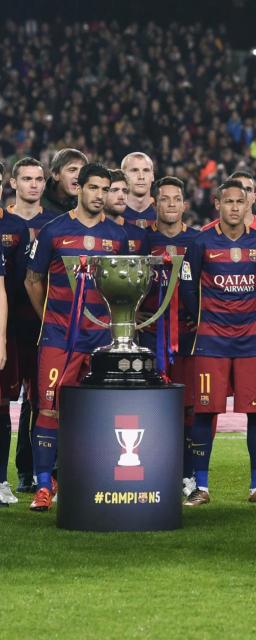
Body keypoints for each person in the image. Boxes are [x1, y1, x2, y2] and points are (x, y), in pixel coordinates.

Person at [25, 163, 130, 512]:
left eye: (105, 189)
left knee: (99, 413)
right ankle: (43, 486)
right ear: (80, 189)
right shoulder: (53, 231)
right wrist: (50, 319)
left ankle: (92, 478)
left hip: (101, 339)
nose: (100, 195)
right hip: (59, 338)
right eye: (94, 188)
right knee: (49, 408)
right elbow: (32, 280)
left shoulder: (118, 239)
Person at [180, 179, 256, 507]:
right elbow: (188, 287)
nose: (235, 207)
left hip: (250, 340)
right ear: (217, 205)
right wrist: (205, 318)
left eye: (240, 201)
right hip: (212, 340)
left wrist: (244, 313)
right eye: (229, 202)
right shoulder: (200, 242)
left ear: (248, 203)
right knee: (205, 411)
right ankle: (201, 487)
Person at [202, 170, 256, 497]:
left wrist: (249, 308)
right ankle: (195, 480)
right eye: (236, 194)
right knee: (206, 405)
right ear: (221, 201)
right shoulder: (206, 237)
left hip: (254, 329)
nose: (243, 199)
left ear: (254, 196)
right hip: (215, 331)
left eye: (249, 192)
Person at [141, 177, 200, 496]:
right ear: (155, 203)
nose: (172, 204)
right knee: (152, 404)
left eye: (177, 199)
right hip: (149, 336)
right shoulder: (140, 240)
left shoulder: (198, 240)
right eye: (165, 199)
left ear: (184, 205)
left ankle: (188, 473)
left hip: (187, 337)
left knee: (188, 406)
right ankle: (151, 467)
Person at [7, 157, 52, 493]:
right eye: (27, 178)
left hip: (39, 322)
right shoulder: (6, 223)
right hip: (7, 325)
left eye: (39, 179)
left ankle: (33, 471)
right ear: (14, 183)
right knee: (7, 401)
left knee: (38, 401)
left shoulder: (53, 224)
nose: (33, 185)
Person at [0, 162, 24, 505]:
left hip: (11, 329)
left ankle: (2, 481)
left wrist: (1, 337)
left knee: (2, 406)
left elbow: (1, 288)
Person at [104, 169, 150, 255]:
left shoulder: (140, 235)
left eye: (125, 191)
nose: (121, 196)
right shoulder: (89, 230)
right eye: (114, 190)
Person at [41, 148, 88, 215]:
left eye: (83, 171)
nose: (79, 176)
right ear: (56, 174)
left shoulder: (87, 206)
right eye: (72, 170)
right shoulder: (37, 205)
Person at [120, 152, 156, 226]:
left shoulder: (164, 216)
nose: (141, 176)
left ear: (152, 176)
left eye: (146, 170)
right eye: (134, 170)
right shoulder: (110, 216)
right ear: (123, 176)